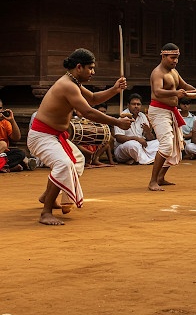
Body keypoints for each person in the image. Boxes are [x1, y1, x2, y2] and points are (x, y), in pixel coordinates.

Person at [27, 48, 131, 225]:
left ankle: (47, 196)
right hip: (41, 136)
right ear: (79, 67)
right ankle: (46, 212)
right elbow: (88, 112)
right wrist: (117, 122)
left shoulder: (73, 83)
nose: (93, 72)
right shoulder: (67, 85)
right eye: (90, 68)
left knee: (77, 161)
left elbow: (93, 99)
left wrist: (115, 89)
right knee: (64, 164)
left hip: (54, 136)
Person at [147, 43, 196, 191]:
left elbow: (184, 85)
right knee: (166, 144)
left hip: (170, 111)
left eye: (177, 58)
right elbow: (157, 91)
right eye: (172, 58)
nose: (175, 61)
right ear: (163, 56)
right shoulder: (157, 73)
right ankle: (152, 181)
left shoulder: (174, 72)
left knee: (175, 145)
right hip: (159, 111)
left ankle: (160, 177)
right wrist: (175, 93)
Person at [114, 93, 160, 165]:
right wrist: (136, 139)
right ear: (128, 105)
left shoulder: (142, 116)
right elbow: (119, 138)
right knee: (133, 145)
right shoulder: (122, 117)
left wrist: (148, 132)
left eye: (138, 104)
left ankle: (136, 159)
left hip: (141, 146)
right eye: (133, 104)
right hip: (123, 149)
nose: (136, 106)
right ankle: (146, 160)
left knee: (159, 143)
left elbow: (150, 139)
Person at [0, 101, 36, 172]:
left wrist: (12, 120)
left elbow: (16, 138)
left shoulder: (4, 123)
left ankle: (5, 166)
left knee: (20, 153)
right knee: (3, 144)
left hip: (3, 155)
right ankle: (10, 166)